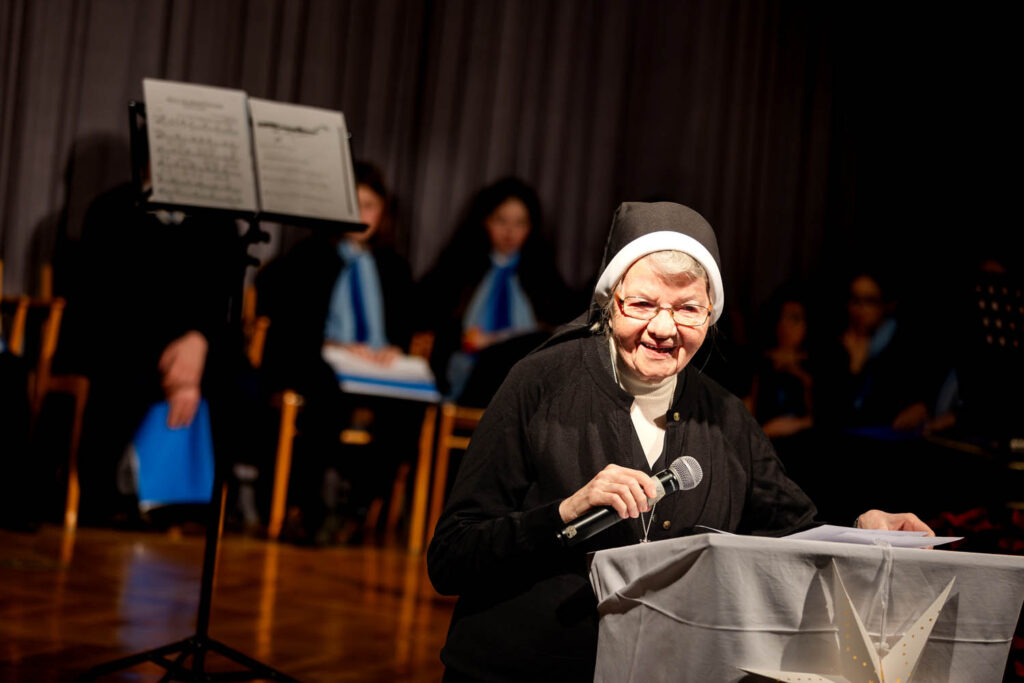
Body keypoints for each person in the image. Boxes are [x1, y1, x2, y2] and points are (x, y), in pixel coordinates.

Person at [427, 201, 932, 681]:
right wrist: (564, 511)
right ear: (608, 303)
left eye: (688, 309)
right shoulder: (539, 384)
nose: (664, 329)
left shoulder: (726, 417)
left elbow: (793, 536)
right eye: (643, 303)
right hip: (523, 671)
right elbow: (451, 557)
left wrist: (866, 533)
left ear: (711, 315)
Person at [256, 160, 418, 543]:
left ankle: (359, 509)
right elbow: (284, 313)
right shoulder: (309, 255)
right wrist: (334, 345)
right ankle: (307, 508)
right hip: (320, 362)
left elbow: (406, 324)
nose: (362, 215)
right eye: (353, 204)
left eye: (370, 206)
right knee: (325, 396)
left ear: (383, 213)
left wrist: (392, 350)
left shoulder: (393, 266)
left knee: (408, 409)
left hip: (374, 370)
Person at [420, 177, 578, 406]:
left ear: (531, 227)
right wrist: (466, 340)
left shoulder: (542, 276)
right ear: (485, 221)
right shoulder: (459, 268)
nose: (509, 232)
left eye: (520, 223)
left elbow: (564, 325)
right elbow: (432, 320)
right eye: (500, 220)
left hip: (528, 381)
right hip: (471, 375)